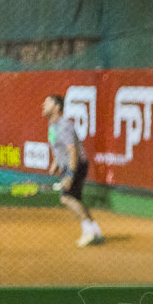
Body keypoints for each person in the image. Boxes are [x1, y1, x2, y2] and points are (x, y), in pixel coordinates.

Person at [42, 94, 103, 247]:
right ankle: (95, 231)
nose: (43, 105)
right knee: (76, 199)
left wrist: (70, 174)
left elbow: (72, 150)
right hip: (69, 165)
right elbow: (60, 147)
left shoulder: (64, 125)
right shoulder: (52, 125)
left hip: (76, 165)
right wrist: (56, 163)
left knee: (66, 198)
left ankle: (89, 231)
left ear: (57, 107)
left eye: (48, 102)